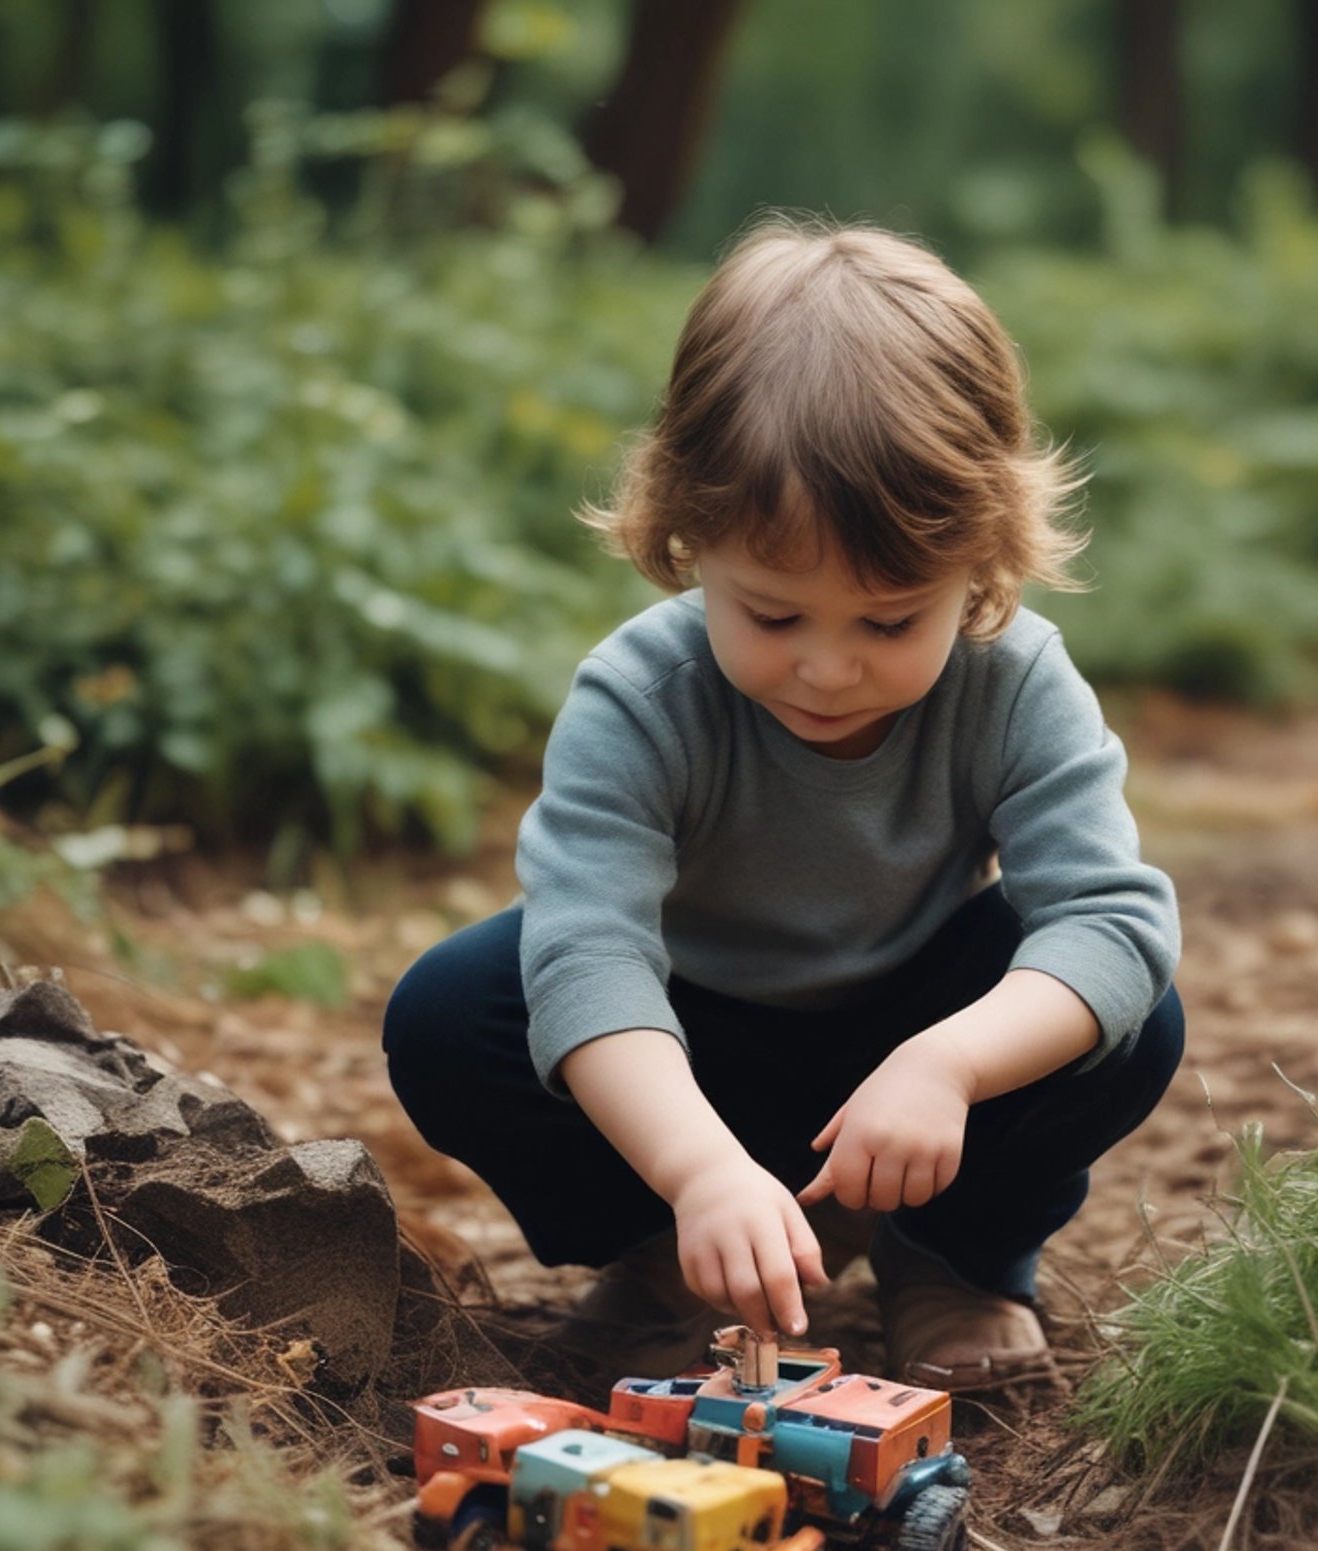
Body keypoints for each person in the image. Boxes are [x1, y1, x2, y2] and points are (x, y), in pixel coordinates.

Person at [383, 216, 1183, 1390]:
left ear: (984, 559)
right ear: (688, 534)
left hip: (918, 1041)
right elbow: (588, 951)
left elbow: (1113, 923)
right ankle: (673, 1261)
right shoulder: (641, 697)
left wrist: (949, 1065)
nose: (826, 666)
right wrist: (701, 1167)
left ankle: (951, 1260)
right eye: (772, 614)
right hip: (690, 1049)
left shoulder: (1014, 685)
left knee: (1126, 1015)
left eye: (889, 620)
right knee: (453, 1013)